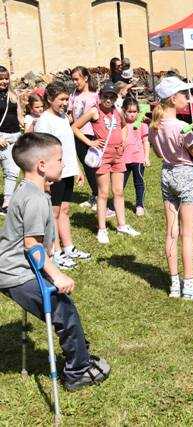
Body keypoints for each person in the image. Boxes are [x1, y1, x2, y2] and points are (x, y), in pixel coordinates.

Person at [0, 132, 110, 391]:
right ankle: (78, 372)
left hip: (15, 268)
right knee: (64, 311)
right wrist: (56, 275)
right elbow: (32, 246)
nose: (63, 164)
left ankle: (80, 353)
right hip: (17, 273)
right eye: (59, 159)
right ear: (41, 166)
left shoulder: (28, 190)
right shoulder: (36, 199)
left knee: (64, 308)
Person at [149, 76, 193, 300]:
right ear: (173, 99)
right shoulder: (182, 127)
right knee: (188, 232)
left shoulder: (154, 126)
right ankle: (189, 284)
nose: (188, 97)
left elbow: (158, 153)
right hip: (186, 174)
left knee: (171, 231)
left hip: (167, 174)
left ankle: (174, 285)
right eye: (185, 94)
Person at [72, 82, 140, 244]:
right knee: (103, 193)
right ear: (100, 97)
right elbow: (75, 127)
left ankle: (122, 225)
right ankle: (102, 229)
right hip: (103, 156)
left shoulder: (117, 112)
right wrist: (90, 143)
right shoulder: (95, 111)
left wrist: (123, 141)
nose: (108, 100)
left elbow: (124, 126)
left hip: (117, 155)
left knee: (119, 192)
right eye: (105, 96)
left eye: (111, 97)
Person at [34, 81, 90, 269]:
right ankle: (55, 251)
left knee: (64, 210)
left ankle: (68, 247)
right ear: (50, 99)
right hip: (53, 174)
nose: (65, 103)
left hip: (66, 171)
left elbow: (68, 145)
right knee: (53, 213)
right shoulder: (44, 121)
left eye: (67, 99)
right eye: (61, 99)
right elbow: (40, 151)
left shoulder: (64, 117)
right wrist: (46, 178)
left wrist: (77, 168)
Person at [69, 66, 101, 212]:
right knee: (86, 166)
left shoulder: (95, 95)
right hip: (77, 134)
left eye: (77, 79)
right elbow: (71, 115)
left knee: (93, 166)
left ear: (86, 78)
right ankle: (95, 194)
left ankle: (101, 196)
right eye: (73, 79)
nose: (75, 82)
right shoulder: (73, 95)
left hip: (91, 134)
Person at [0, 65, 23, 215]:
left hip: (15, 136)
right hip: (2, 137)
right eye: (1, 79)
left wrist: (27, 123)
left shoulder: (13, 95)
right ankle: (7, 203)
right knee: (11, 170)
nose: (4, 81)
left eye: (6, 78)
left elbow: (19, 114)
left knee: (12, 170)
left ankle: (7, 203)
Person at [121, 97, 150, 216]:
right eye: (129, 112)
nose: (132, 115)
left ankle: (139, 205)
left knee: (139, 183)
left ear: (138, 111)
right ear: (124, 111)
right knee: (120, 184)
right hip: (123, 159)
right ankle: (114, 205)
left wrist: (146, 157)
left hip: (138, 159)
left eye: (134, 112)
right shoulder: (121, 124)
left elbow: (146, 142)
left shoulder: (143, 125)